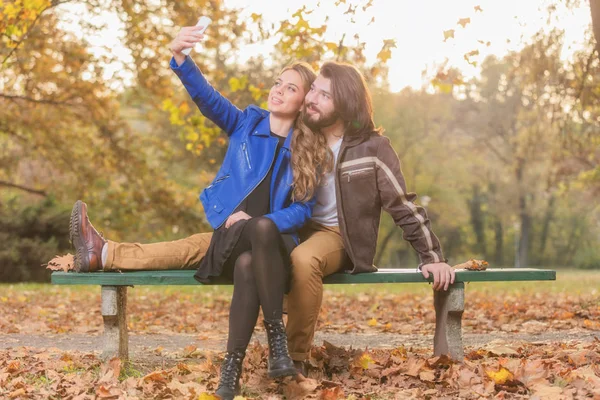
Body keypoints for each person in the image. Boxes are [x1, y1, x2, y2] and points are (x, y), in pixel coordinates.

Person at [69, 25, 331, 400]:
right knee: (206, 248)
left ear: (305, 101)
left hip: (272, 253)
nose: (279, 90)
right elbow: (208, 99)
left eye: (291, 87)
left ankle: (230, 377)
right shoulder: (247, 123)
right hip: (230, 237)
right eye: (278, 82)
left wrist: (262, 222)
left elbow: (303, 211)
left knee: (248, 259)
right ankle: (277, 347)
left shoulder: (308, 149)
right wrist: (180, 58)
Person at [285, 61, 456, 374]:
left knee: (303, 259)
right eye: (313, 90)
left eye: (324, 95)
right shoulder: (300, 136)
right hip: (293, 227)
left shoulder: (373, 148)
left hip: (339, 237)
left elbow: (401, 204)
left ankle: (294, 362)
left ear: (346, 104)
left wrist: (431, 256)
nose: (312, 98)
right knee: (255, 250)